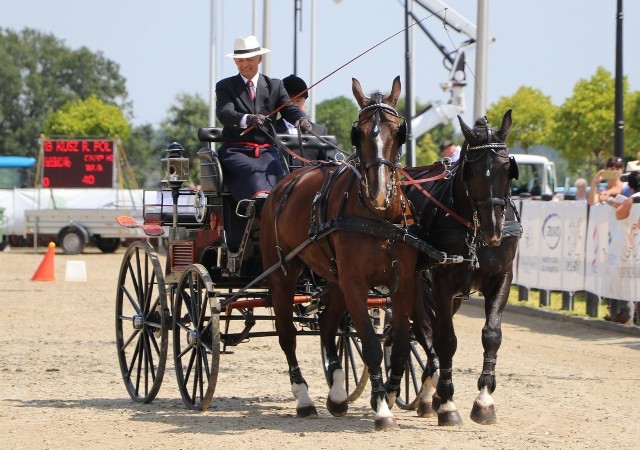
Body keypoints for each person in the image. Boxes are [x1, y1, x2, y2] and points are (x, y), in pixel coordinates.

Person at [215, 35, 312, 201]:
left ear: (259, 58)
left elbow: (288, 108)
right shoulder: (225, 86)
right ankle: (256, 206)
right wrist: (248, 119)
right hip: (236, 151)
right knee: (253, 171)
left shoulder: (275, 85)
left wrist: (301, 119)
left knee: (281, 177)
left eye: (249, 59)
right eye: (239, 60)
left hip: (267, 151)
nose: (244, 65)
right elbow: (225, 113)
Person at [604, 170, 639, 325]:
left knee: (628, 277)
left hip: (633, 246)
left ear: (631, 187)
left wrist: (614, 203)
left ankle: (627, 314)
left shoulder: (633, 199)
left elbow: (620, 215)